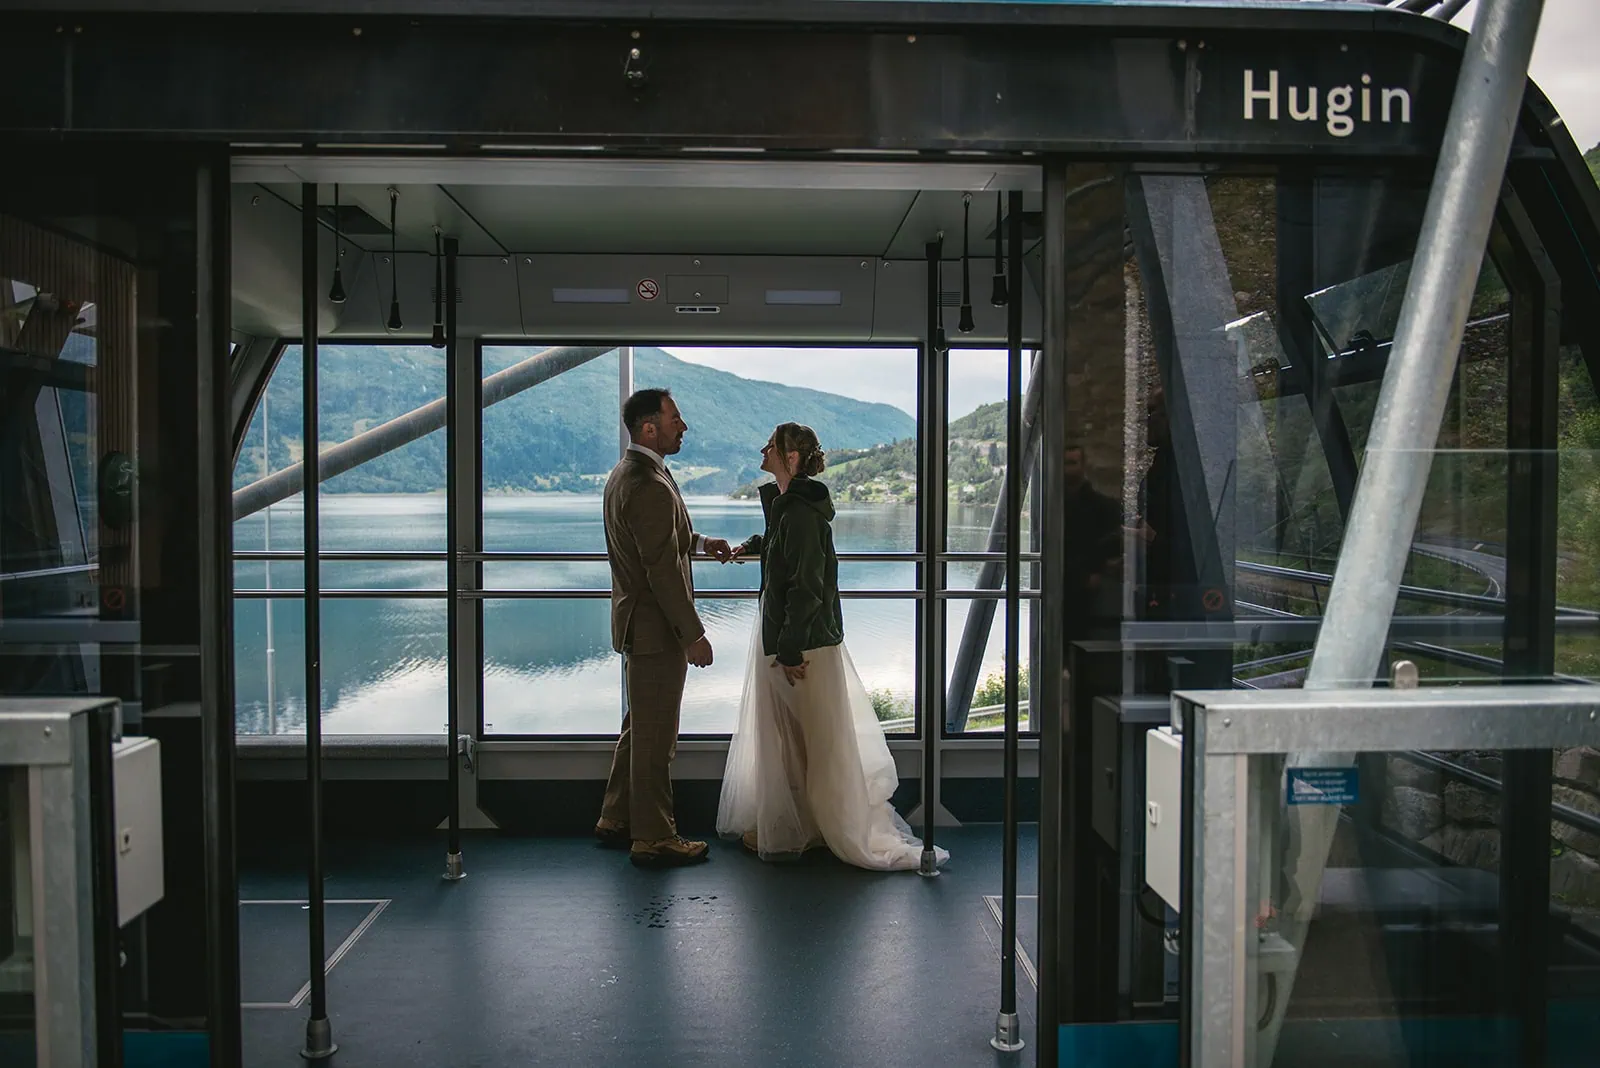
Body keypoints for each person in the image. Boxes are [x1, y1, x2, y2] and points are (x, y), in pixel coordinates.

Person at [716, 422, 949, 872]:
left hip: (800, 645)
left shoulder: (799, 513)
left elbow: (806, 588)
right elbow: (781, 550)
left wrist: (787, 651)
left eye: (773, 444)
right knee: (797, 738)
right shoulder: (791, 509)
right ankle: (808, 824)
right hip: (794, 639)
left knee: (806, 738)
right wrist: (749, 547)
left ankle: (812, 828)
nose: (764, 448)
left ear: (792, 459)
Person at [595, 388, 733, 868]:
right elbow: (660, 568)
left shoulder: (627, 473)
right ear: (649, 427)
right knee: (658, 738)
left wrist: (700, 541)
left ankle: (615, 817)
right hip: (656, 630)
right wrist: (692, 634)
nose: (684, 425)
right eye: (676, 418)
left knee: (640, 727)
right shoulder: (650, 483)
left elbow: (662, 539)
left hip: (636, 625)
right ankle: (653, 837)